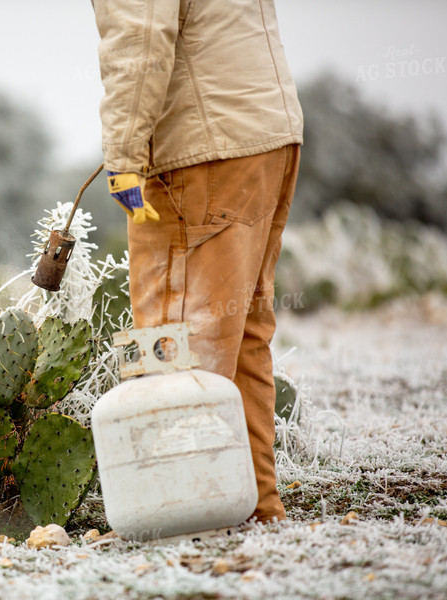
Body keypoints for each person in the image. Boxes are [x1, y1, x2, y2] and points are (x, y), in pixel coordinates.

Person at [93, 0, 304, 522]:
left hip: (202, 149)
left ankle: (188, 519)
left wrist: (123, 157)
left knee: (172, 341)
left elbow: (141, 35)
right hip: (268, 135)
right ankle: (257, 508)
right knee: (243, 332)